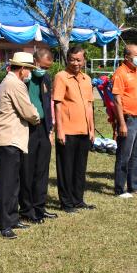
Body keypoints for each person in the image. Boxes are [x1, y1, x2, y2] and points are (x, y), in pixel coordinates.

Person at [0, 52, 40, 239]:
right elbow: (28, 111)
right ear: (23, 69)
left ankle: (11, 218)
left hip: (11, 139)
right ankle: (2, 223)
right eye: (29, 69)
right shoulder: (15, 84)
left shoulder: (10, 81)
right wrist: (37, 117)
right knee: (6, 184)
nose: (30, 73)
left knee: (13, 183)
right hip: (8, 139)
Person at [53, 45, 96, 210]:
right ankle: (66, 202)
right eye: (72, 59)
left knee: (80, 168)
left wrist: (91, 129)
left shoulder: (87, 79)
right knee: (66, 168)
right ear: (67, 59)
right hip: (68, 130)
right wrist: (60, 130)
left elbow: (89, 106)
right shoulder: (61, 77)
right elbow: (57, 104)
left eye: (78, 60)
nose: (75, 63)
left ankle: (78, 199)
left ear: (84, 60)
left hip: (84, 130)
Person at [19, 48, 58, 223]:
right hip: (27, 128)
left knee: (42, 170)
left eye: (48, 68)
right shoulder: (23, 78)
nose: (44, 70)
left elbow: (47, 105)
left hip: (43, 127)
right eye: (42, 66)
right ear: (34, 61)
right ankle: (27, 210)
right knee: (28, 170)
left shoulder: (46, 78)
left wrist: (50, 129)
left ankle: (40, 207)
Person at [111, 44, 137, 197]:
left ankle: (135, 185)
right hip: (128, 120)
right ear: (127, 57)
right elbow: (117, 100)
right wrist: (121, 123)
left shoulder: (136, 71)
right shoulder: (120, 73)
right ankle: (120, 188)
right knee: (124, 155)